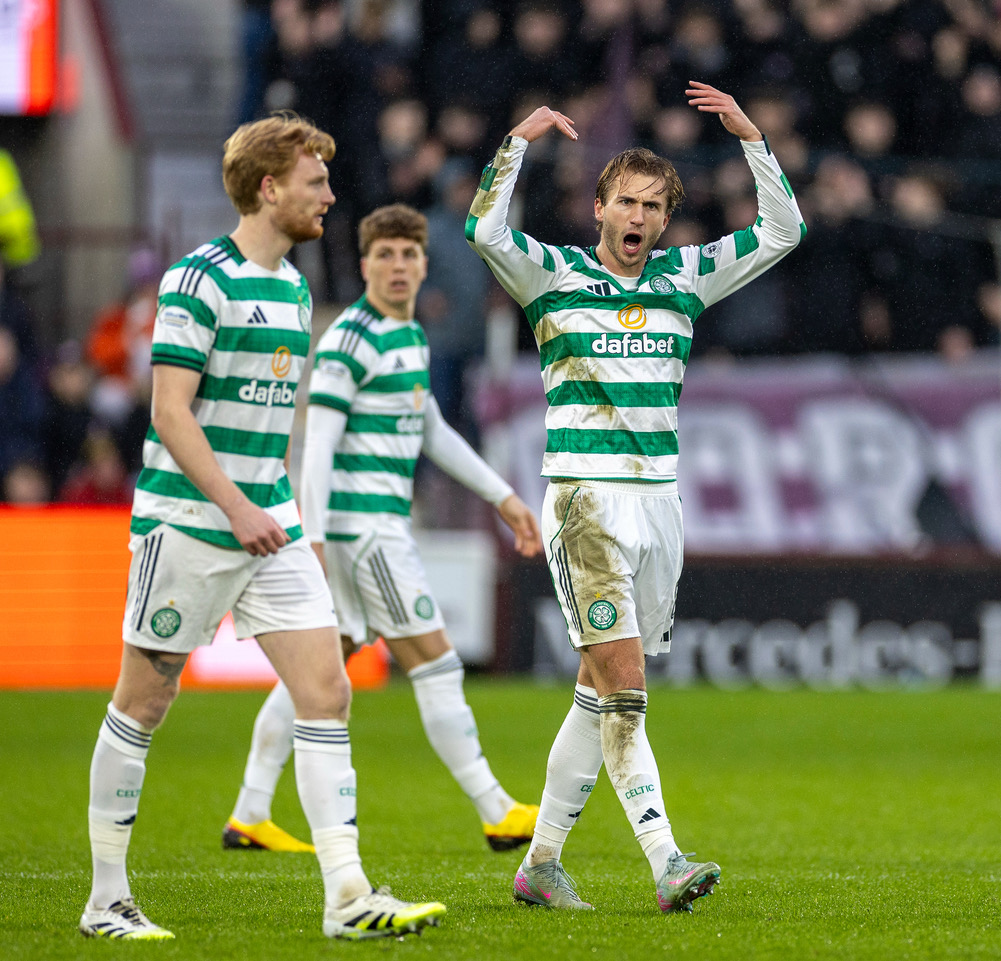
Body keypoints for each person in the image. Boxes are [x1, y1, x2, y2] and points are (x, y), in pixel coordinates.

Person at [78, 113, 446, 942]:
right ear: (269, 187)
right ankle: (105, 900)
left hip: (268, 522)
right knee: (144, 699)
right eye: (316, 181)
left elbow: (271, 421)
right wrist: (234, 505)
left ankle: (347, 894)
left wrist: (272, 506)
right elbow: (170, 413)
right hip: (187, 521)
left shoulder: (294, 289)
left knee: (327, 690)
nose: (330, 195)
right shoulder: (197, 279)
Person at [466, 82, 804, 913]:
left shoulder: (686, 276)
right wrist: (516, 142)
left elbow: (783, 231)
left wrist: (751, 140)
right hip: (585, 504)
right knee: (625, 687)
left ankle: (540, 863)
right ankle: (665, 858)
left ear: (664, 219)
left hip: (658, 505)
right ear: (598, 207)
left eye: (653, 205)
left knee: (597, 690)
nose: (638, 215)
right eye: (625, 200)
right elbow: (484, 230)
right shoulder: (551, 274)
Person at [222, 202, 544, 855]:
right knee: (437, 662)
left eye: (408, 255)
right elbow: (315, 445)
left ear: (424, 265)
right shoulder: (350, 339)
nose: (397, 266)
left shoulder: (410, 336)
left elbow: (432, 431)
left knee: (319, 669)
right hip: (363, 532)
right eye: (384, 255)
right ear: (365, 264)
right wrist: (312, 538)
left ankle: (250, 811)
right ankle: (495, 808)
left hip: (366, 529)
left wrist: (503, 496)